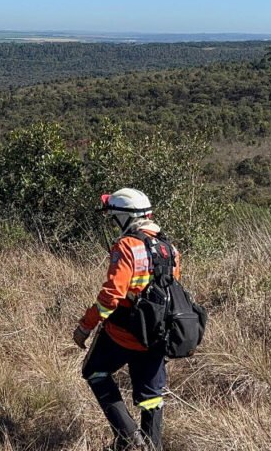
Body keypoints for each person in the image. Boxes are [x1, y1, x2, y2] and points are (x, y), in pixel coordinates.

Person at [72, 188, 181, 451]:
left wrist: (85, 326)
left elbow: (111, 296)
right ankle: (150, 447)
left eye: (114, 217)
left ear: (124, 217)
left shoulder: (126, 246)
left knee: (94, 372)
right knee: (151, 397)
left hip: (124, 333)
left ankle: (129, 437)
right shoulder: (170, 248)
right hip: (158, 335)